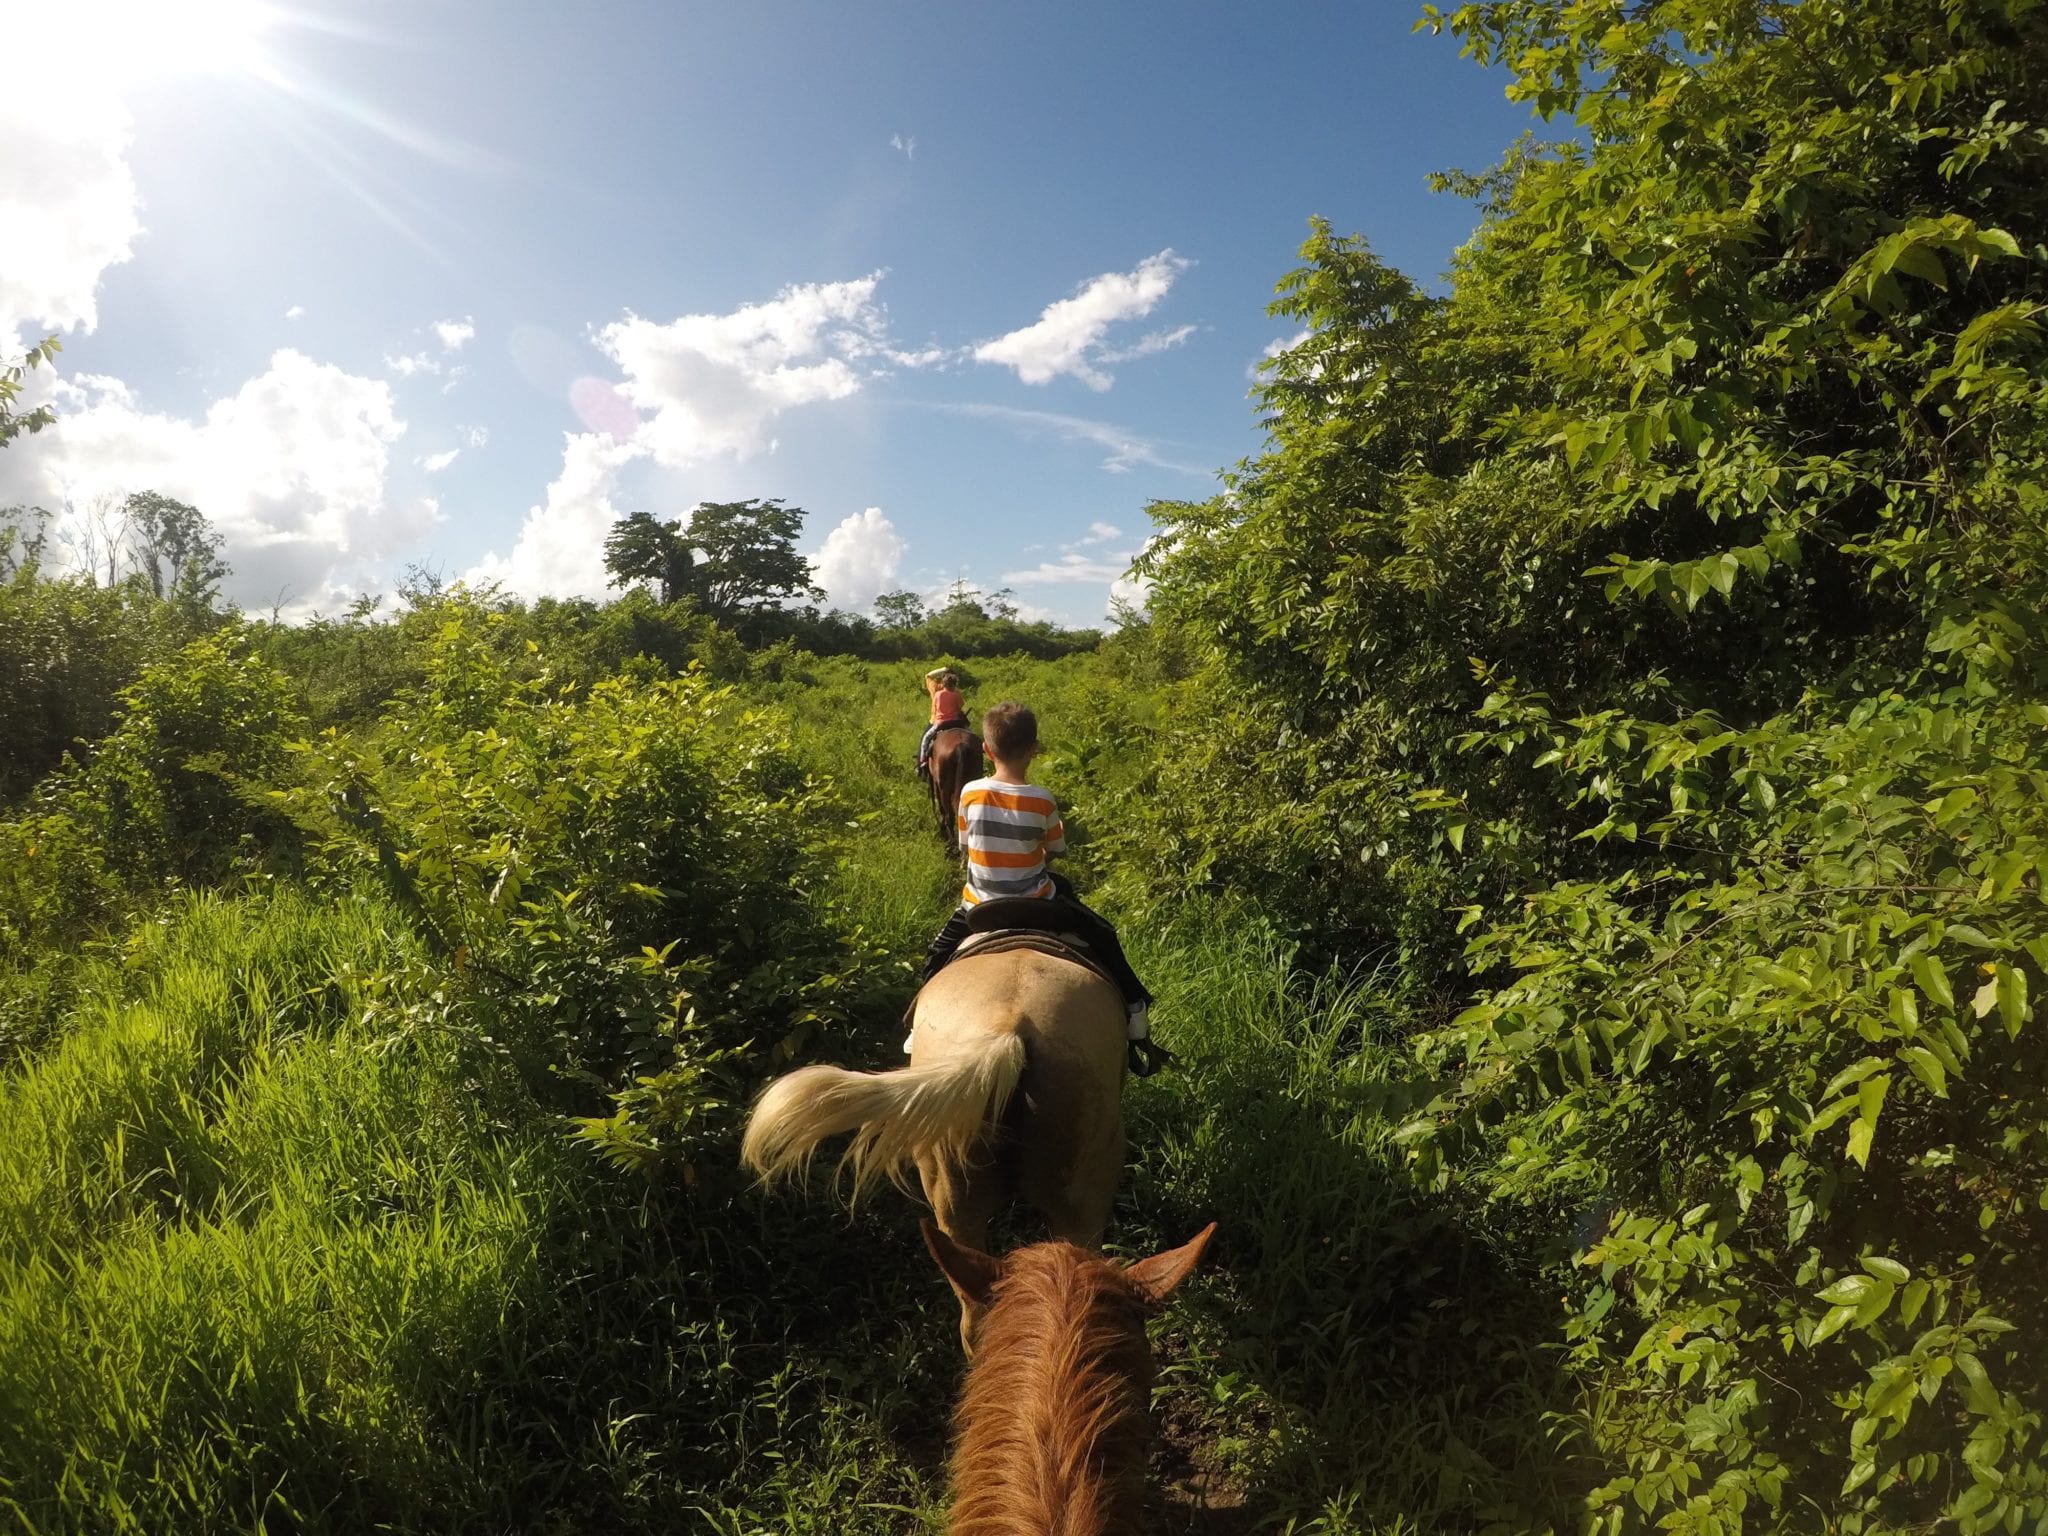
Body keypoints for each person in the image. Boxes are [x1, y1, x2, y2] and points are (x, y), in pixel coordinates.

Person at [914, 701, 1167, 1074]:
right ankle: (1135, 1010)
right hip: (1037, 901)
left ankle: (916, 1025)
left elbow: (968, 848)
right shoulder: (1043, 799)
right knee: (1103, 933)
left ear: (986, 750)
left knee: (937, 954)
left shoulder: (969, 793)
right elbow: (1054, 852)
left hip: (978, 906)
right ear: (1034, 749)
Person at [916, 667, 970, 777]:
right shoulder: (957, 693)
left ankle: (921, 763)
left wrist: (943, 669)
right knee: (970, 735)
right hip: (956, 722)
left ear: (942, 680)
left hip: (938, 722)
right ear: (954, 683)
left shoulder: (935, 690)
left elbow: (928, 675)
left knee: (925, 739)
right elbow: (960, 706)